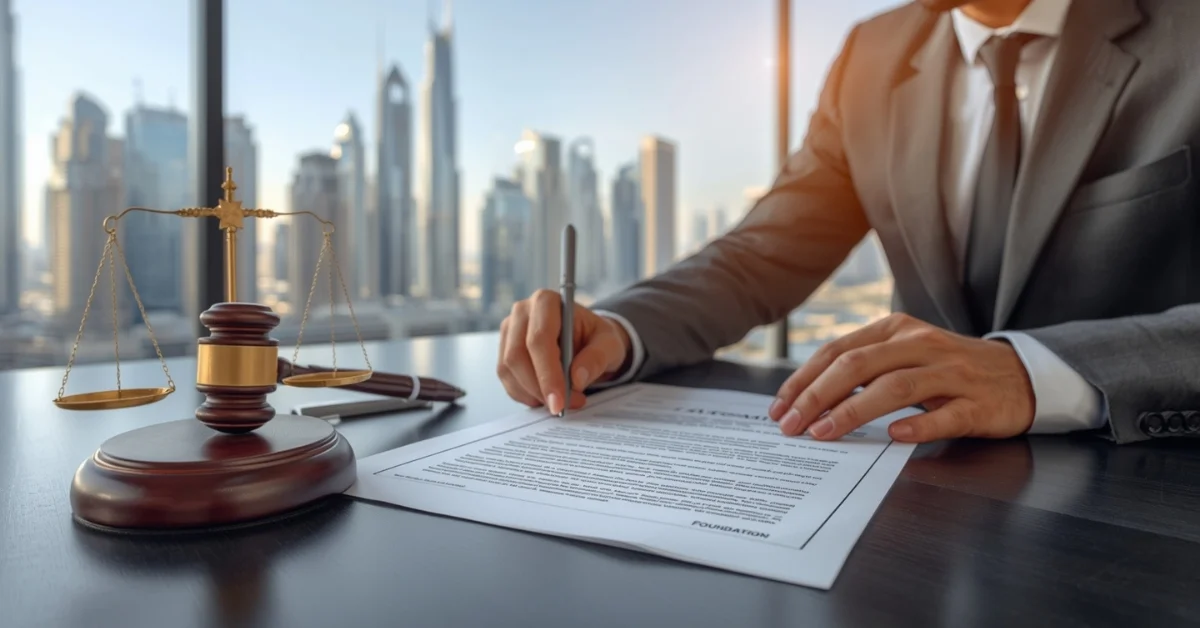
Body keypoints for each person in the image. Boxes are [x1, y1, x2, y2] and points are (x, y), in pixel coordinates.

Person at [496, 0, 1200, 445]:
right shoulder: (872, 53)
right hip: (907, 481)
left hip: (1144, 489)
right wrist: (617, 331)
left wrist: (1035, 371)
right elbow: (765, 252)